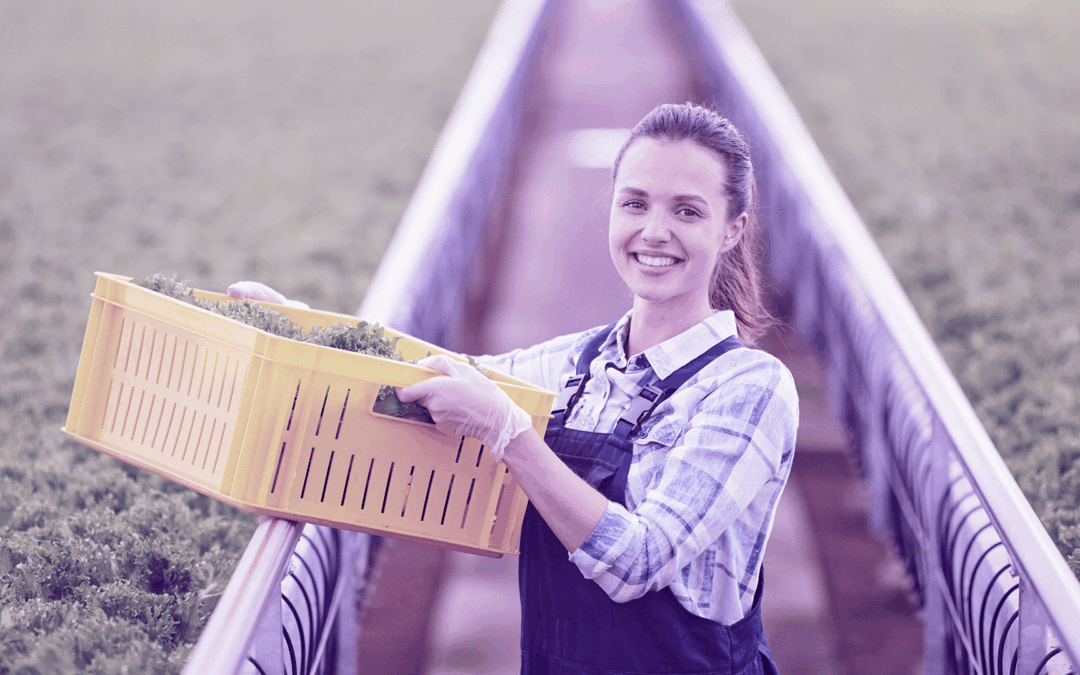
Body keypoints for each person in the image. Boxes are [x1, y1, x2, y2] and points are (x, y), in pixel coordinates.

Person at [233, 102, 797, 675]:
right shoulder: (579, 365)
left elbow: (640, 561)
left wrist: (510, 433)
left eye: (687, 211)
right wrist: (307, 333)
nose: (654, 231)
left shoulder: (748, 388)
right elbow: (431, 376)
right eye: (634, 203)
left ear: (733, 229)